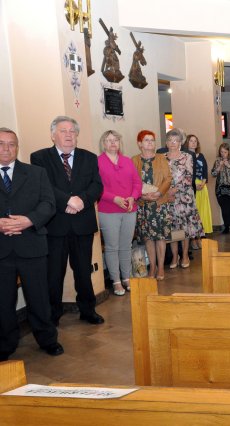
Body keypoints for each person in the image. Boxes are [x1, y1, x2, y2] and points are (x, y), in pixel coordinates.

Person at [31, 116, 104, 326]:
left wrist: (82, 200)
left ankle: (88, 310)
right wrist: (68, 200)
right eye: (63, 131)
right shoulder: (39, 158)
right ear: (53, 135)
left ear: (77, 135)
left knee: (83, 271)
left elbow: (97, 185)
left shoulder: (89, 157)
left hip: (83, 222)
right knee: (54, 273)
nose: (69, 135)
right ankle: (52, 314)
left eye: (72, 131)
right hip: (55, 224)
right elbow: (43, 186)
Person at [0, 127, 63, 360]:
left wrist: (28, 220)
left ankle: (48, 339)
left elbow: (48, 204)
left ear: (17, 147)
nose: (6, 149)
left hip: (32, 245)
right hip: (2, 248)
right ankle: (5, 344)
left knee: (39, 297)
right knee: (3, 301)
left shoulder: (36, 173)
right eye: (1, 144)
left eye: (11, 144)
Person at [96, 130, 142, 296]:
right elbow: (96, 187)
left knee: (126, 246)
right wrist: (114, 198)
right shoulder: (97, 162)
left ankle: (127, 277)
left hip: (129, 209)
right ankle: (116, 281)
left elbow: (137, 183)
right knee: (112, 247)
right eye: (108, 140)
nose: (112, 143)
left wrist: (133, 197)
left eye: (115, 140)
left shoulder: (127, 161)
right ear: (103, 143)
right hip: (108, 210)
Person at [132, 130, 172, 281]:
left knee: (160, 237)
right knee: (148, 238)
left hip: (159, 203)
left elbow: (168, 178)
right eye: (146, 140)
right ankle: (152, 267)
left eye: (152, 140)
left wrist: (159, 193)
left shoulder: (162, 158)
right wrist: (142, 195)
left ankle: (160, 267)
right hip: (143, 204)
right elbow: (131, 181)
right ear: (139, 144)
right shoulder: (134, 160)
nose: (150, 143)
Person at [165, 129, 204, 267]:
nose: (173, 143)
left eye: (175, 140)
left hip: (184, 197)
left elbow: (189, 177)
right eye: (170, 140)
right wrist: (166, 191)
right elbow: (160, 178)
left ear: (180, 143)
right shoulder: (162, 157)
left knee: (185, 228)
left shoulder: (187, 156)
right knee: (173, 228)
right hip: (168, 197)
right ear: (166, 143)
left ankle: (185, 255)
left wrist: (175, 189)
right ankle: (175, 256)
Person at [185, 134, 213, 248]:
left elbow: (205, 171)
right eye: (191, 141)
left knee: (202, 211)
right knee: (193, 213)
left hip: (202, 185)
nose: (193, 143)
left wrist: (203, 182)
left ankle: (201, 236)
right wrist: (194, 184)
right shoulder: (185, 156)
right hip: (191, 186)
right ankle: (193, 239)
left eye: (195, 141)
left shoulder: (201, 156)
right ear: (187, 143)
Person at [212, 142, 230, 233]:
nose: (223, 154)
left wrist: (228, 166)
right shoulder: (217, 161)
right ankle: (227, 227)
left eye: (225, 152)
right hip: (221, 189)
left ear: (228, 152)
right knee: (224, 209)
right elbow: (213, 174)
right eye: (221, 152)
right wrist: (219, 167)